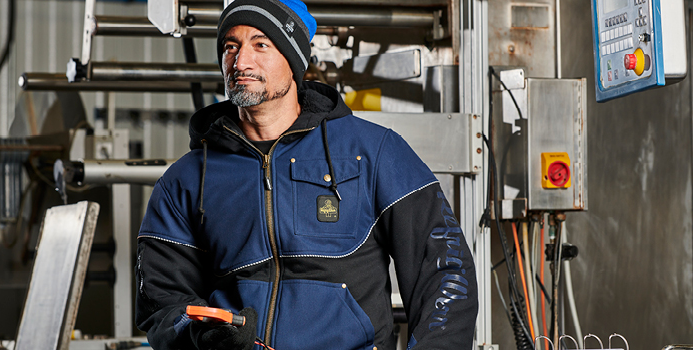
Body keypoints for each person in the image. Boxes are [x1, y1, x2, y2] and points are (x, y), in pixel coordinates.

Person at [135, 0, 478, 348]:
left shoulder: (375, 152)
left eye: (260, 44)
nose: (241, 62)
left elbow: (446, 271)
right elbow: (161, 301)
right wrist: (201, 337)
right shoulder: (186, 180)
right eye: (230, 46)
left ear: (294, 58)